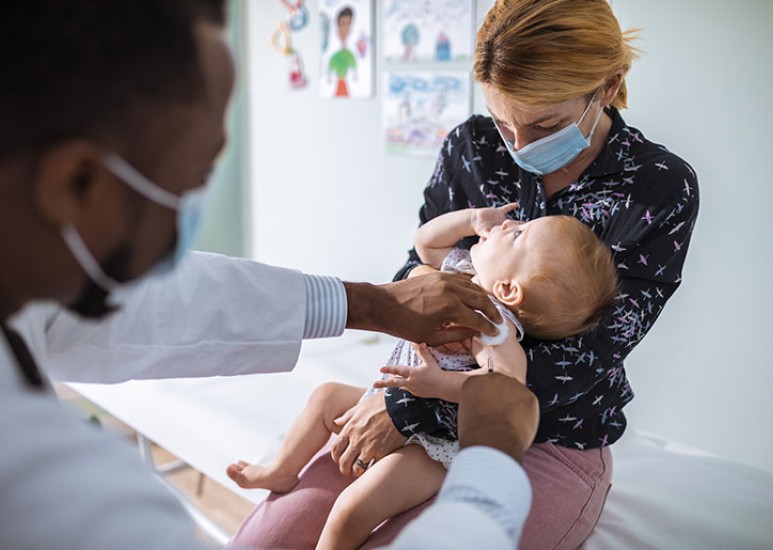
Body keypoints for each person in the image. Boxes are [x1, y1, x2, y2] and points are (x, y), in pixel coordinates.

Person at [0, 1, 541, 548]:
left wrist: (371, 305)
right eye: (193, 175)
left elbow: (166, 304)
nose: (192, 210)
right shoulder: (65, 508)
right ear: (74, 182)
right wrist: (490, 463)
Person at [230, 0, 701, 548]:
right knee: (270, 540)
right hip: (409, 393)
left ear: (608, 84)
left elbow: (585, 358)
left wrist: (408, 407)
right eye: (506, 123)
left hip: (546, 433)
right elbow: (418, 271)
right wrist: (393, 376)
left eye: (545, 125)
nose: (520, 147)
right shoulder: (473, 147)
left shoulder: (656, 188)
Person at [226, 204, 618, 549]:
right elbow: (424, 244)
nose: (507, 224)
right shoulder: (460, 270)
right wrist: (470, 219)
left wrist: (437, 386)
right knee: (326, 396)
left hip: (435, 444)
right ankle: (281, 471)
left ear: (508, 290)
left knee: (351, 509)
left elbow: (504, 385)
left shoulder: (494, 326)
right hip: (384, 398)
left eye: (517, 234)